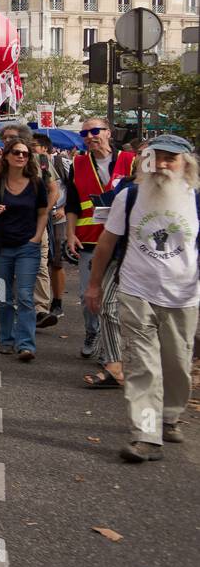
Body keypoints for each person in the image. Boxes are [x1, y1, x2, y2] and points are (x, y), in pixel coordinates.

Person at [85, 135, 199, 462]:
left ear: (185, 164)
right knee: (143, 367)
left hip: (183, 296)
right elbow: (106, 244)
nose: (162, 164)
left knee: (178, 363)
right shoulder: (129, 196)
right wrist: (94, 286)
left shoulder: (196, 199)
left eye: (170, 159)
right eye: (156, 157)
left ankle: (170, 416)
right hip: (136, 292)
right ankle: (146, 435)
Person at [0, 138, 49, 360]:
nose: (21, 156)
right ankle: (6, 340)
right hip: (0, 248)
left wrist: (36, 237)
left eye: (25, 153)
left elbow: (43, 212)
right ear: (6, 156)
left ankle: (26, 345)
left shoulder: (35, 183)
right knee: (4, 297)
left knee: (24, 296)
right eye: (16, 152)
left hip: (27, 247)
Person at [65, 117, 136, 360]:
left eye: (95, 131)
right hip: (90, 239)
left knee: (115, 302)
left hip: (125, 242)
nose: (90, 136)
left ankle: (111, 350)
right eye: (84, 133)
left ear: (109, 133)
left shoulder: (130, 161)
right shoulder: (78, 163)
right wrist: (70, 233)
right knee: (89, 297)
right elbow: (73, 204)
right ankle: (92, 332)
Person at [33, 133, 67, 327]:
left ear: (44, 148)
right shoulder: (29, 163)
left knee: (56, 262)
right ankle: (39, 306)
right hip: (40, 219)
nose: (30, 149)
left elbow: (69, 189)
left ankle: (57, 302)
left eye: (34, 146)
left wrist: (62, 208)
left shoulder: (62, 163)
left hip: (58, 218)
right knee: (42, 263)